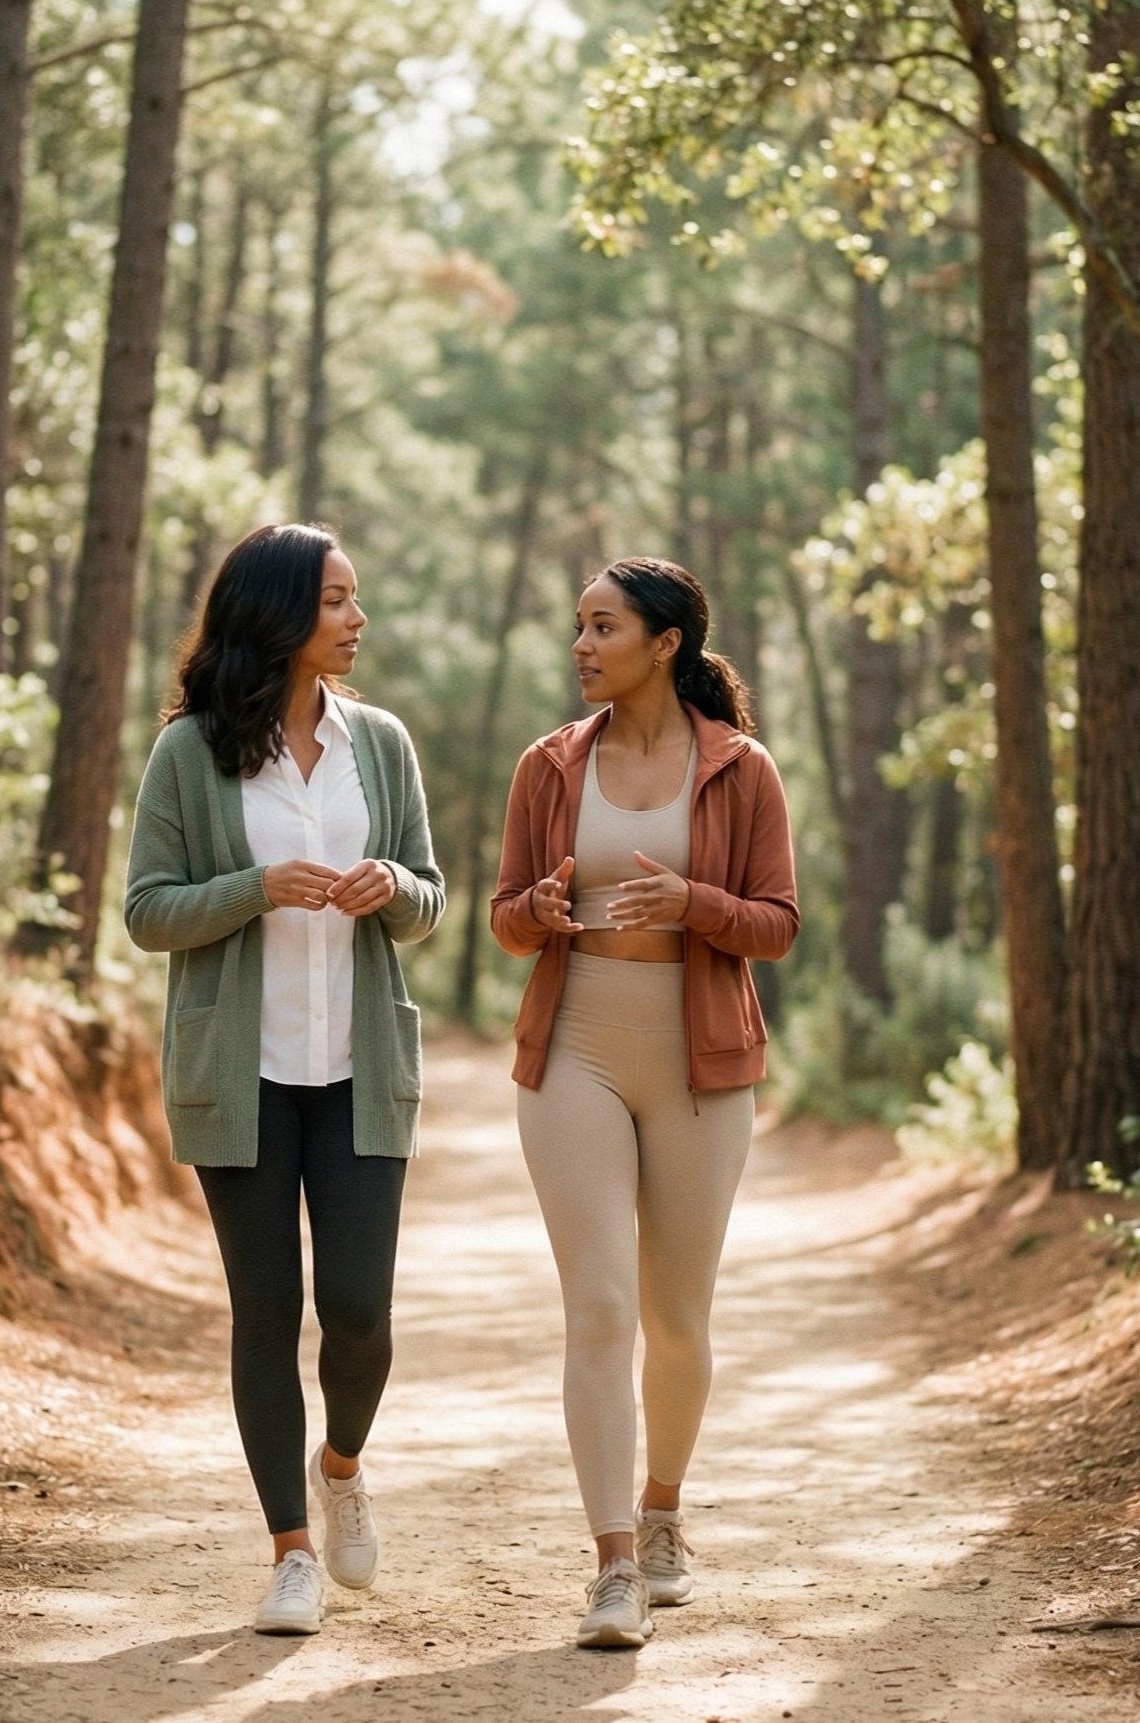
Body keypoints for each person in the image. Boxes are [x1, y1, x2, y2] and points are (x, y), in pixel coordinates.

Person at [124, 524, 444, 1637]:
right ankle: (290, 1551)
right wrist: (255, 886)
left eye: (358, 600)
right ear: (279, 612)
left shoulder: (383, 744)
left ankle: (342, 1463)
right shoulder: (190, 752)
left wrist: (389, 883)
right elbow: (147, 909)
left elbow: (431, 897)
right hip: (239, 1074)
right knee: (267, 1311)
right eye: (340, 600)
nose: (359, 620)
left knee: (359, 1315)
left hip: (361, 1071)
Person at [491, 557, 798, 1649]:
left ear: (663, 642)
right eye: (577, 624)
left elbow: (777, 921)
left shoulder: (741, 768)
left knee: (676, 1318)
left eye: (602, 625)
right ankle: (615, 1562)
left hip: (702, 1057)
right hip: (574, 1045)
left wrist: (693, 902)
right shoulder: (546, 766)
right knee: (601, 1307)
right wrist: (536, 905)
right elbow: (505, 919)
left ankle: (665, 1509)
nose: (580, 644)